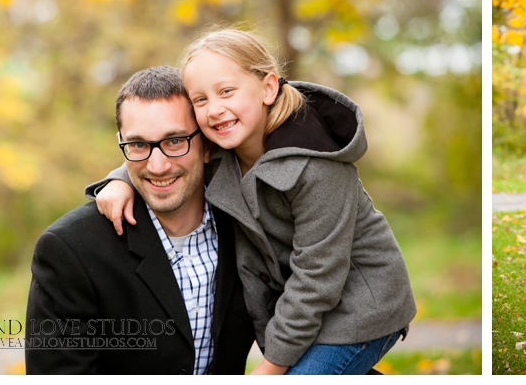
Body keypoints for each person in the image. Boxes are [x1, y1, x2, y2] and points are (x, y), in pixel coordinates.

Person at [89, 28, 416, 374]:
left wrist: (271, 367)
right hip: (307, 310)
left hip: (360, 310)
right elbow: (163, 150)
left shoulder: (318, 166)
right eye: (200, 100)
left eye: (226, 91)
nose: (215, 110)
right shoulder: (222, 151)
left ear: (268, 87)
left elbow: (317, 279)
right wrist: (121, 179)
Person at [25, 66, 254, 374]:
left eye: (174, 141)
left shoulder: (246, 226)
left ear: (207, 144)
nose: (157, 166)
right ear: (122, 144)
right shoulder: (69, 251)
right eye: (138, 145)